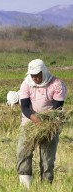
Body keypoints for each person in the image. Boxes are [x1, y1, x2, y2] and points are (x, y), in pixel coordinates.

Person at [17, 59, 67, 189]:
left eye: (37, 75)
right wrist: (35, 120)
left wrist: (45, 124)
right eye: (32, 75)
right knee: (23, 154)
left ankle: (45, 187)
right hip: (29, 123)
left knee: (47, 160)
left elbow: (56, 110)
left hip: (50, 124)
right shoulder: (26, 84)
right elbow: (25, 108)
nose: (35, 78)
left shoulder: (57, 85)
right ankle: (25, 187)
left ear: (44, 72)